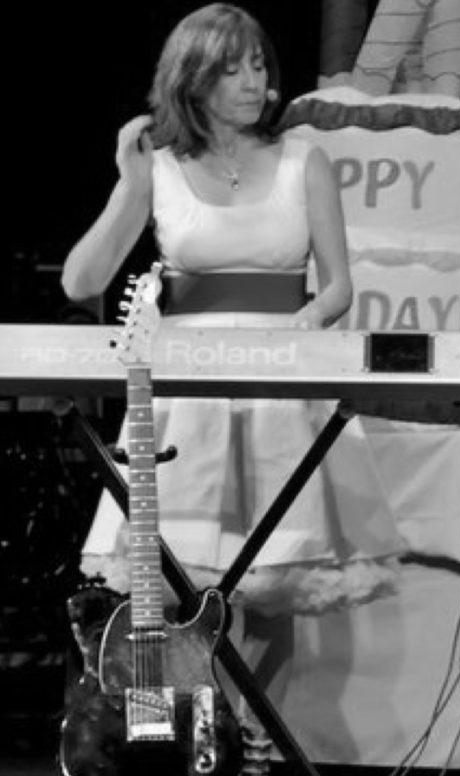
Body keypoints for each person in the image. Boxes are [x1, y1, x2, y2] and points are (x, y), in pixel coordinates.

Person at [61, 3, 407, 771]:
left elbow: (338, 287)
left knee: (271, 573)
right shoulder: (158, 168)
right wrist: (126, 184)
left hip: (281, 379)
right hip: (186, 386)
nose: (254, 81)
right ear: (193, 79)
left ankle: (250, 735)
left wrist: (295, 337)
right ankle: (188, 736)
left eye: (259, 65)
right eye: (232, 68)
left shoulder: (302, 160)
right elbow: (84, 280)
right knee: (180, 576)